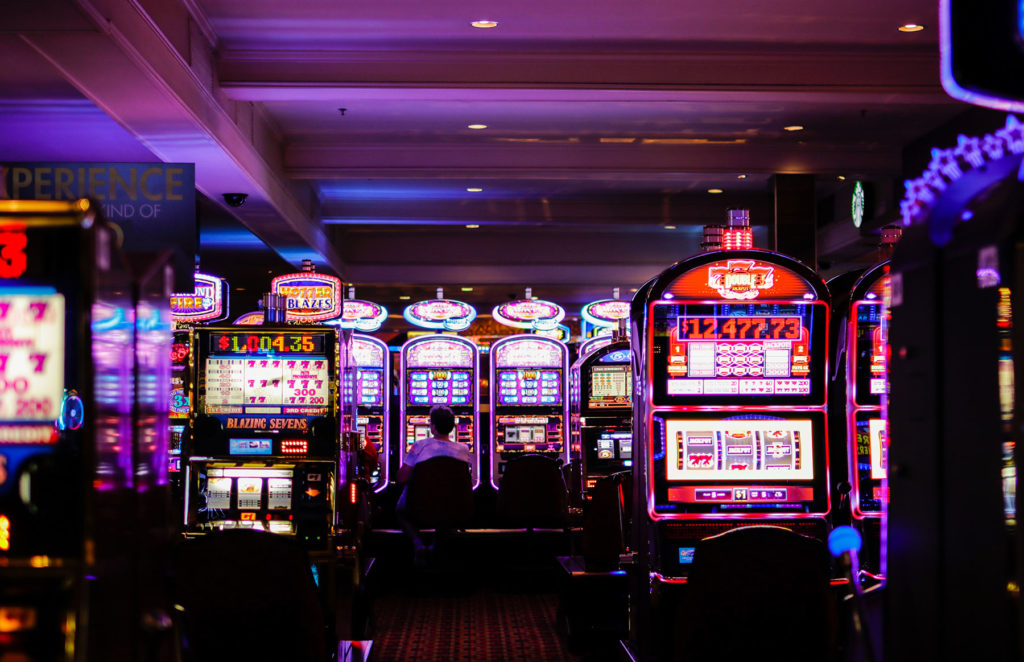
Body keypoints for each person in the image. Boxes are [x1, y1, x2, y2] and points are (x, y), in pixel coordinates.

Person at [395, 405, 471, 566]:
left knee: (400, 510)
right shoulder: (464, 449)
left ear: (433, 426)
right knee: (444, 505)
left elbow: (401, 478)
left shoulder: (419, 445)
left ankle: (418, 544)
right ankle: (437, 544)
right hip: (455, 506)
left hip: (421, 507)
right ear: (452, 427)